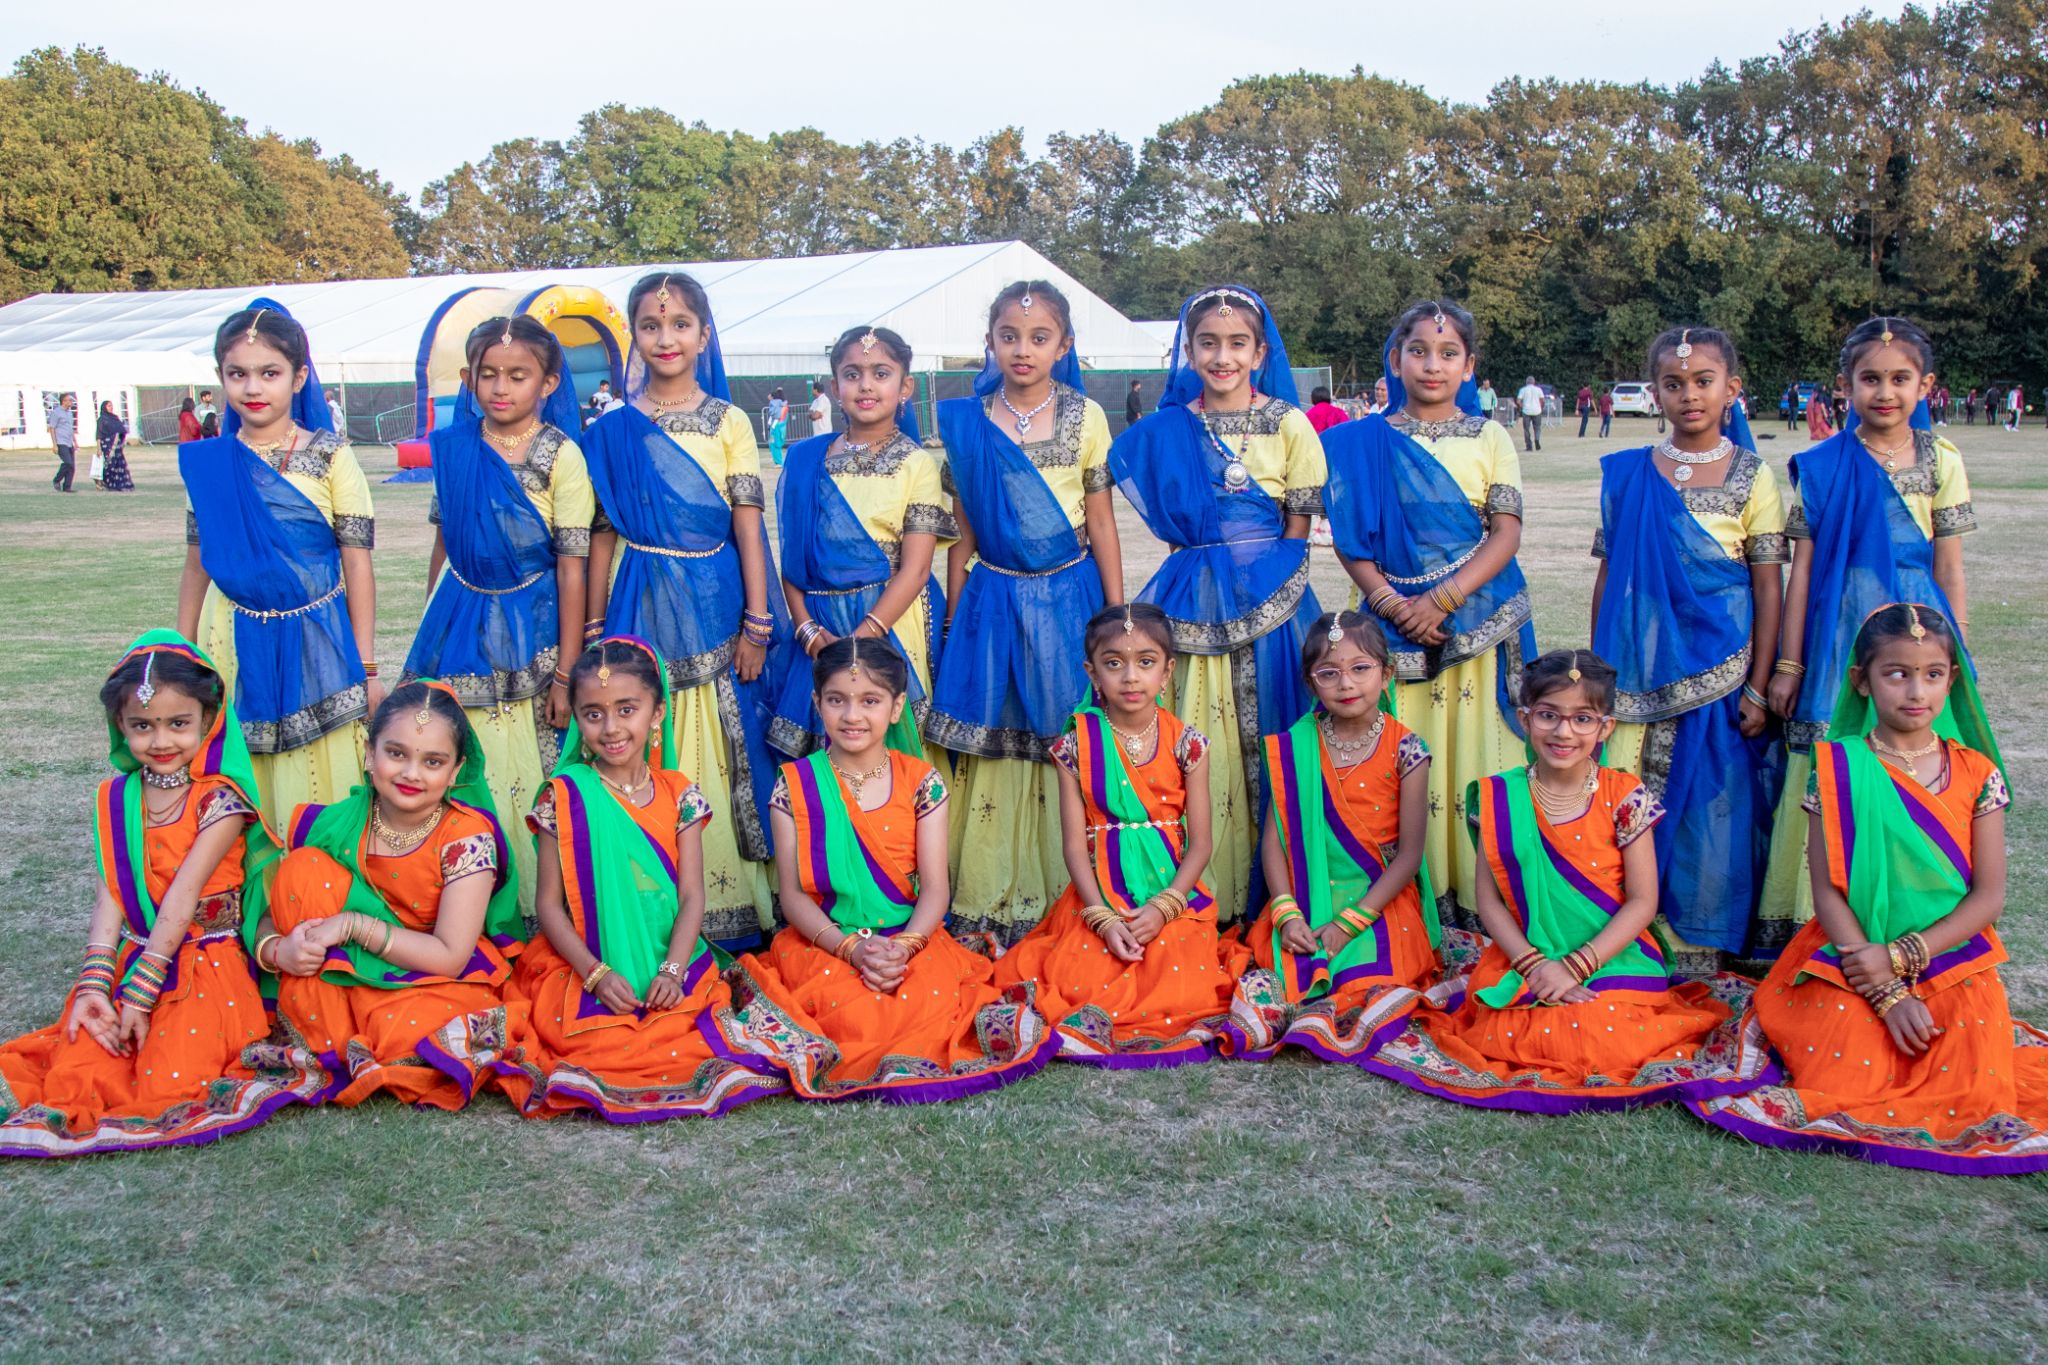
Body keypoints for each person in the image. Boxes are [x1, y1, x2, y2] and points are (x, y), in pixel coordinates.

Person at [1688, 605, 2046, 1174]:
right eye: (1896, 673)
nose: (1916, 690)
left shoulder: (1977, 772)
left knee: (1971, 1077)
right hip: (1847, 952)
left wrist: (1902, 958)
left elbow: (1989, 898)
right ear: (1862, 680)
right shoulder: (1838, 768)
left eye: (1932, 674)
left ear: (1952, 680)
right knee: (1843, 1063)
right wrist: (1880, 984)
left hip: (1952, 956)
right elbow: (1828, 890)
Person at [1359, 650, 1746, 1111]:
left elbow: (1643, 902)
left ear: (1606, 728)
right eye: (1548, 715)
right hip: (1526, 958)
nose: (1564, 732)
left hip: (1610, 960)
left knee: (1599, 1034)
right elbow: (1490, 902)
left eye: (1583, 719)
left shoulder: (1624, 796)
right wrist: (1535, 966)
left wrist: (1575, 967)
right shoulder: (1499, 797)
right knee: (1512, 1031)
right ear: (1524, 719)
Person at [0, 634, 323, 1157]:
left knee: (171, 1075)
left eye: (179, 724)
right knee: (84, 1060)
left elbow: (182, 897)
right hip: (135, 956)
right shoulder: (116, 798)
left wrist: (141, 993)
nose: (161, 740)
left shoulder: (220, 801)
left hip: (205, 964)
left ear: (209, 720)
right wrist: (94, 987)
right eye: (142, 726)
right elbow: (112, 894)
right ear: (120, 727)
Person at [456, 638, 789, 1122]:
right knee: (597, 1041)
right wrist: (595, 972)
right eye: (592, 714)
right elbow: (549, 905)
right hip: (587, 958)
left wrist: (674, 971)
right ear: (576, 718)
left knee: (693, 1028)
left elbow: (693, 895)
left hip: (671, 953)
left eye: (626, 709)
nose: (610, 728)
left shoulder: (679, 794)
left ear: (656, 714)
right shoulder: (564, 796)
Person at [723, 638, 1056, 1101]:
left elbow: (937, 890)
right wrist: (852, 951)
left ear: (897, 707)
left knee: (926, 1002)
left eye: (870, 701)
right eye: (837, 700)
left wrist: (902, 947)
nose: (852, 715)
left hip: (909, 938)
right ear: (817, 704)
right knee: (849, 1012)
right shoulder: (794, 785)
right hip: (826, 940)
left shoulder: (921, 782)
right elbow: (793, 896)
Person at [1762, 316, 1994, 955]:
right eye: (1870, 378)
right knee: (1835, 763)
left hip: (1920, 630)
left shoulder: (1942, 458)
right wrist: (1789, 663)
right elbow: (1802, 567)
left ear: (1927, 385)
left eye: (1900, 378)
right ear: (1845, 386)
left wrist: (1957, 654)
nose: (1884, 391)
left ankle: (1917, 911)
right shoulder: (1821, 465)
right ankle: (1819, 921)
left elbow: (1948, 563)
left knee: (1917, 759)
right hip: (1841, 631)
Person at [584, 272, 790, 950]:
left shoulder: (728, 420)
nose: (665, 338)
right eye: (650, 325)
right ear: (633, 338)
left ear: (704, 334)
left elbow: (748, 526)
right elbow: (603, 534)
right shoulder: (611, 429)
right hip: (638, 596)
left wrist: (758, 620)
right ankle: (647, 904)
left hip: (717, 595)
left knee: (728, 745)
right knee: (641, 733)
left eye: (679, 325)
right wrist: (592, 630)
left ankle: (733, 904)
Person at [1108, 285, 1325, 924]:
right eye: (1208, 343)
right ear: (1189, 350)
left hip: (1277, 608)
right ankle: (1198, 893)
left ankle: (1277, 894)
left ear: (1260, 351)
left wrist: (1259, 599)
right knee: (1195, 740)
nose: (1222, 356)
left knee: (1277, 739)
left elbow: (1298, 530)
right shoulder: (1168, 430)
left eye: (1236, 344)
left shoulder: (1288, 423)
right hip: (1190, 599)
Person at [1323, 300, 1537, 933]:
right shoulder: (1361, 442)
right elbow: (1350, 538)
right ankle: (1399, 906)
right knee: (1397, 765)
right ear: (1396, 359)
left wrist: (1439, 601)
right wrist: (1392, 604)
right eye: (1418, 351)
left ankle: (1479, 906)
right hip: (1389, 631)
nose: (1432, 365)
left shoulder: (1489, 435)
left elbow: (1507, 533)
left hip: (1480, 621)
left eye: (1448, 354)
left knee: (1476, 762)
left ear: (1470, 365)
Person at [931, 281, 1122, 948]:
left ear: (1064, 346)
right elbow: (963, 534)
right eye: (1009, 335)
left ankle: (1068, 889)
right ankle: (989, 891)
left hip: (1068, 596)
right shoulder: (966, 421)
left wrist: (1115, 612)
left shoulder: (1085, 415)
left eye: (1040, 337)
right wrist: (955, 619)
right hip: (993, 599)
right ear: (990, 341)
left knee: (1063, 740)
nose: (1023, 348)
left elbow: (1100, 521)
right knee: (995, 745)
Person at [1591, 328, 1787, 975]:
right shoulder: (1629, 476)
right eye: (1673, 383)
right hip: (1638, 674)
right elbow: (1610, 575)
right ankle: (1629, 938)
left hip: (1724, 673)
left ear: (1732, 388)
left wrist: (1759, 684)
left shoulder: (1752, 476)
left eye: (1704, 380)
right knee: (1629, 800)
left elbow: (1767, 586)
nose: (1689, 394)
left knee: (1714, 804)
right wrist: (1598, 676)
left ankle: (1703, 940)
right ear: (1655, 394)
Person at [245, 680, 524, 1109]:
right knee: (304, 869)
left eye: (433, 761)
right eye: (397, 754)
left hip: (429, 978)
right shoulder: (336, 824)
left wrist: (354, 925)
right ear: (369, 754)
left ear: (455, 771)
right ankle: (338, 1026)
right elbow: (272, 911)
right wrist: (276, 951)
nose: (412, 773)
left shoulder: (466, 837)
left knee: (418, 1035)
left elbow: (449, 954)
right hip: (340, 979)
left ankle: (347, 1031)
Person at [993, 604, 1248, 1065]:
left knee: (1176, 970)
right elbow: (1074, 846)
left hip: (1175, 896)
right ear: (1092, 672)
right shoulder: (1074, 745)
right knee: (1082, 977)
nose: (1131, 677)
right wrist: (1104, 918)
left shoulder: (1186, 743)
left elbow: (1202, 843)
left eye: (1146, 662)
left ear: (1168, 671)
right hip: (1099, 897)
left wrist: (1164, 906)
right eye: (1114, 663)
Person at [402, 315, 594, 922]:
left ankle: (542, 908)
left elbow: (573, 567)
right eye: (488, 375)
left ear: (548, 381)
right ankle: (460, 905)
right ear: (468, 378)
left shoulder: (562, 453)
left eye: (518, 375)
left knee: (533, 763)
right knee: (457, 750)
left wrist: (566, 673)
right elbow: (446, 542)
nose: (501, 388)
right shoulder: (456, 448)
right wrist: (430, 623)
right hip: (457, 616)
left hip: (534, 620)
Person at [176, 299, 377, 830]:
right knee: (240, 756)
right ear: (221, 378)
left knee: (326, 768)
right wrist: (182, 651)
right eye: (237, 374)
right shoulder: (211, 464)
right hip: (231, 631)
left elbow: (357, 563)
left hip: (319, 631)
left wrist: (366, 661)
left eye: (270, 373)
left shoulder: (331, 455)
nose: (253, 388)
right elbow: (197, 563)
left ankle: (320, 878)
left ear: (299, 376)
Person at [1227, 611, 1440, 1064]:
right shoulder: (1296, 746)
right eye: (1329, 673)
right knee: (1286, 961)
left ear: (1387, 675)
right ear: (1311, 683)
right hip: (1304, 892)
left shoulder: (1408, 750)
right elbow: (1275, 840)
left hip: (1376, 897)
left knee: (1369, 972)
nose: (1346, 684)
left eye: (1360, 669)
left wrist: (1349, 923)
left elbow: (1410, 854)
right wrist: (1285, 913)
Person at [773, 325, 953, 770]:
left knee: (893, 745)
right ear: (835, 387)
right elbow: (793, 561)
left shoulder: (916, 465)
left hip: (892, 625)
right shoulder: (804, 459)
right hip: (816, 627)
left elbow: (915, 570)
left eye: (881, 373)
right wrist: (811, 635)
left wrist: (860, 641)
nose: (866, 385)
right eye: (852, 374)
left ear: (906, 386)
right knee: (825, 744)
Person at [95, 400, 133, 491]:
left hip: (117, 446)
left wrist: (122, 442)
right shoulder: (101, 419)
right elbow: (99, 435)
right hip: (107, 446)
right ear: (104, 407)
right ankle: (104, 481)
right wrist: (99, 448)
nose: (111, 407)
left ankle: (117, 483)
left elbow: (121, 430)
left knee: (118, 464)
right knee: (109, 464)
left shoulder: (115, 418)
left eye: (111, 405)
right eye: (108, 406)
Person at [48, 394, 76, 492]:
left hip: (69, 442)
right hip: (60, 442)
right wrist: (54, 444)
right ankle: (57, 480)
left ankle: (67, 487)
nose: (71, 402)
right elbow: (52, 428)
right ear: (63, 401)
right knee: (68, 463)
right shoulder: (56, 413)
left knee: (72, 466)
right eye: (69, 400)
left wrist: (75, 441)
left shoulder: (69, 413)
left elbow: (70, 429)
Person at [1516, 375, 1544, 452]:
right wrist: (1541, 407)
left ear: (1526, 382)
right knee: (1537, 428)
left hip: (1526, 411)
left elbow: (1518, 401)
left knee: (1526, 429)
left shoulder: (1523, 390)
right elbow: (1542, 400)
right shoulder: (1538, 389)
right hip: (1537, 411)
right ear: (1534, 382)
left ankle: (1529, 446)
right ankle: (1537, 439)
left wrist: (1521, 406)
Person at [766, 387, 788, 467]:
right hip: (777, 425)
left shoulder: (774, 403)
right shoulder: (782, 404)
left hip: (775, 425)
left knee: (774, 443)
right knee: (774, 442)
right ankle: (778, 461)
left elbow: (772, 413)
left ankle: (778, 462)